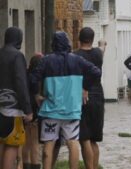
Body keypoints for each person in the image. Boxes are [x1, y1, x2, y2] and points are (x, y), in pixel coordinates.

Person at [30, 31, 101, 169]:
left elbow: (33, 78)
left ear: (53, 44)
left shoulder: (46, 60)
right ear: (68, 44)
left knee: (48, 145)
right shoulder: (77, 60)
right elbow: (96, 72)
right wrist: (85, 87)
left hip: (51, 110)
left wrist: (36, 95)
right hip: (72, 110)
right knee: (72, 143)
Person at [0, 27, 33, 169]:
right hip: (12, 109)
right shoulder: (17, 56)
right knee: (12, 144)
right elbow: (21, 82)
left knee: (1, 142)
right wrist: (28, 109)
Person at [74, 27, 105, 169]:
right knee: (94, 140)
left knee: (84, 138)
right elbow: (102, 47)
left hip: (82, 97)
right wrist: (103, 43)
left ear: (79, 39)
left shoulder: (75, 56)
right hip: (98, 96)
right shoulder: (98, 54)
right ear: (92, 40)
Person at [22, 53, 44, 169]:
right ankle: (35, 166)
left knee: (25, 142)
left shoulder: (24, 74)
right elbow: (38, 96)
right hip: (34, 111)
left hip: (24, 110)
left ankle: (25, 165)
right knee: (34, 143)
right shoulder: (38, 78)